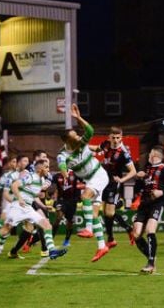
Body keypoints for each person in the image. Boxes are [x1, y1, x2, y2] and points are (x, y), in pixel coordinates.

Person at [0, 157, 67, 262]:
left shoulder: (41, 180)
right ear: (40, 169)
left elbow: (34, 196)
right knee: (5, 230)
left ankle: (52, 250)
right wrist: (20, 198)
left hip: (28, 207)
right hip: (17, 206)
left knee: (47, 225)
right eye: (46, 167)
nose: (48, 169)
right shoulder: (31, 177)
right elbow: (14, 185)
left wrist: (44, 206)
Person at [57, 104, 110, 262]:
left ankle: (88, 229)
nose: (79, 138)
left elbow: (90, 131)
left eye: (77, 135)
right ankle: (102, 247)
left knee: (85, 196)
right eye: (74, 137)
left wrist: (78, 118)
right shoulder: (63, 154)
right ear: (67, 141)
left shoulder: (82, 142)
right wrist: (65, 174)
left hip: (99, 175)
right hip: (90, 179)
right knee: (94, 215)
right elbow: (62, 166)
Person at [132, 146, 164, 274]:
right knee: (136, 235)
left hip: (156, 205)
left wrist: (161, 192)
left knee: (150, 230)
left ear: (155, 155)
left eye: (150, 153)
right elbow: (139, 188)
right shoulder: (147, 169)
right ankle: (152, 258)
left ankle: (150, 264)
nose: (148, 155)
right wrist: (139, 178)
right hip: (144, 205)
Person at [97, 127, 137, 248]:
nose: (115, 140)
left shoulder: (124, 153)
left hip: (114, 183)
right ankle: (111, 238)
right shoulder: (106, 144)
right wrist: (84, 147)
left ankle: (128, 229)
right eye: (113, 137)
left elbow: (133, 171)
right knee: (105, 212)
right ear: (109, 137)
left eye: (118, 138)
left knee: (109, 213)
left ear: (121, 138)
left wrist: (122, 180)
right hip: (104, 181)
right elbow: (97, 149)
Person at [53, 169, 82, 247]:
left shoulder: (74, 174)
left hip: (72, 201)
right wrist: (55, 199)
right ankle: (51, 239)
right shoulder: (56, 176)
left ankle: (66, 240)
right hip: (61, 200)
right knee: (58, 217)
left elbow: (79, 185)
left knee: (70, 221)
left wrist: (79, 197)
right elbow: (55, 188)